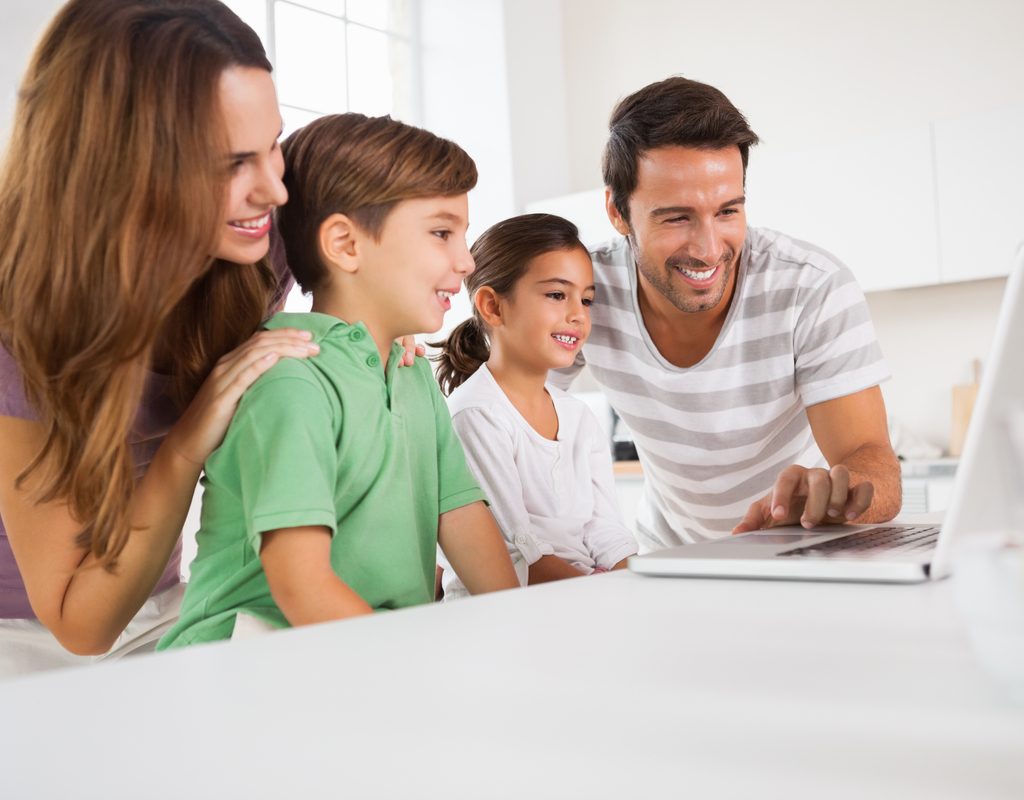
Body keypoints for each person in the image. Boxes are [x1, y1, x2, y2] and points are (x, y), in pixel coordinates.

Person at [0, 0, 320, 677]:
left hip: (159, 596)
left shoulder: (255, 252)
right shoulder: (16, 322)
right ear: (122, 168)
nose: (274, 190)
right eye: (233, 162)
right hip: (26, 634)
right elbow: (79, 624)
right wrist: (189, 438)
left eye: (274, 146)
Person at [158, 113, 519, 648]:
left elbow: (462, 517)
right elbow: (303, 587)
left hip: (353, 658)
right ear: (346, 246)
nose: (466, 260)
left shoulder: (412, 372)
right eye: (442, 232)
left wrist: (524, 632)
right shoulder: (290, 379)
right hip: (244, 671)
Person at [550, 76, 901, 551]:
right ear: (617, 210)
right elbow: (502, 388)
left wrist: (835, 496)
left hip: (800, 550)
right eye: (677, 217)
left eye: (728, 211)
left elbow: (873, 461)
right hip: (670, 555)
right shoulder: (586, 290)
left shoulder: (810, 286)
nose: (709, 249)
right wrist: (410, 339)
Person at [433, 213, 637, 596]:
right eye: (557, 294)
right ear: (493, 307)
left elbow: (606, 530)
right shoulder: (476, 415)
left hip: (579, 600)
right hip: (508, 612)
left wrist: (635, 582)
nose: (578, 314)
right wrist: (609, 598)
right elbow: (518, 554)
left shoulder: (579, 417)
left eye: (586, 299)